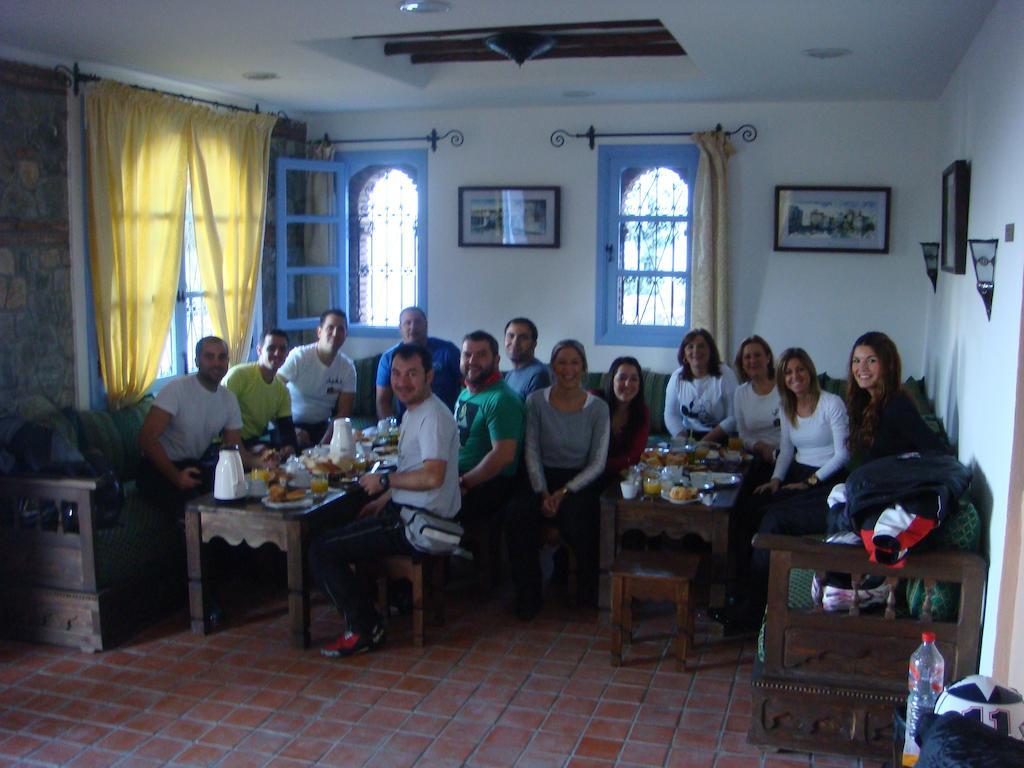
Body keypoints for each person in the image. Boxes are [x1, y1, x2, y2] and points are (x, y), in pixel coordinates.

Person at [310, 343, 461, 658]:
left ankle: (365, 627)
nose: (402, 382)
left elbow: (433, 476)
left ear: (429, 376)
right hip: (408, 511)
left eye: (412, 374)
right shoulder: (414, 411)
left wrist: (384, 481)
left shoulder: (432, 416)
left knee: (321, 550)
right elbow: (416, 471)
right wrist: (385, 497)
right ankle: (373, 608)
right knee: (344, 520)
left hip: (419, 524)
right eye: (396, 373)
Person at [713, 347, 849, 633]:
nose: (794, 376)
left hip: (828, 479)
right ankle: (738, 590)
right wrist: (775, 480)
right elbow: (786, 450)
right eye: (788, 372)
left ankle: (754, 611)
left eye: (799, 369)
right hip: (798, 473)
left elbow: (842, 455)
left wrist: (810, 482)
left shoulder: (831, 403)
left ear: (809, 370)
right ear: (783, 378)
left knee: (772, 519)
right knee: (746, 509)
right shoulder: (788, 407)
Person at [505, 340, 610, 619]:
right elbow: (531, 450)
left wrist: (562, 493)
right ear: (552, 367)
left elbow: (597, 462)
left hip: (579, 480)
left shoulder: (598, 408)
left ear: (584, 368)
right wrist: (541, 492)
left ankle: (586, 591)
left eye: (574, 362)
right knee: (518, 513)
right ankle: (529, 594)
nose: (568, 369)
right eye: (561, 362)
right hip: (541, 474)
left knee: (580, 519)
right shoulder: (535, 401)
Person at [137, 336, 244, 517]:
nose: (216, 363)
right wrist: (176, 477)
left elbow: (235, 448)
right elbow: (146, 439)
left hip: (192, 465)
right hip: (157, 467)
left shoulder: (228, 399)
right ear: (197, 361)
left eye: (222, 357)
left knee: (237, 499)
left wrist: (263, 462)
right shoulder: (176, 390)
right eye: (209, 357)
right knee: (198, 513)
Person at [455, 331, 526, 581]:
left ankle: (429, 577)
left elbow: (503, 456)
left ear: (496, 359)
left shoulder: (502, 399)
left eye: (481, 355)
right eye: (467, 354)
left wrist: (464, 483)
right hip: (460, 477)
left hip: (488, 485)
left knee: (415, 503)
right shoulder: (466, 392)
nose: (472, 361)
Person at [846, 331, 945, 467]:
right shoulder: (864, 401)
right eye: (856, 361)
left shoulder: (897, 404)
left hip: (893, 484)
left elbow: (936, 450)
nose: (861, 368)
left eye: (871, 360)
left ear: (888, 365)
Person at [277, 309, 356, 446]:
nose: (335, 333)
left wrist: (324, 444)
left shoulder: (347, 368)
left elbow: (344, 411)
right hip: (291, 424)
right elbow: (273, 393)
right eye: (330, 328)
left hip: (323, 427)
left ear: (346, 335)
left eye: (341, 329)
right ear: (319, 332)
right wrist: (291, 430)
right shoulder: (299, 357)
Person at [706, 335, 781, 463]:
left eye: (757, 355)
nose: (752, 361)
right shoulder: (740, 393)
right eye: (747, 357)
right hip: (754, 455)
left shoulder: (784, 389)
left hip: (782, 454)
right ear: (742, 363)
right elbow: (743, 434)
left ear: (768, 358)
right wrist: (760, 447)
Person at [376, 307, 461, 419]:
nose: (413, 327)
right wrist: (392, 431)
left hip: (444, 418)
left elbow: (468, 387)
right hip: (406, 422)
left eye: (418, 322)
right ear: (400, 328)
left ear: (426, 325)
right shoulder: (389, 358)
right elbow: (382, 402)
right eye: (407, 323)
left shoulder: (447, 351)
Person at [223, 329, 297, 454]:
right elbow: (221, 420)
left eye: (282, 349)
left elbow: (287, 428)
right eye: (271, 348)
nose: (277, 353)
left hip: (254, 441)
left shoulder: (282, 391)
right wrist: (250, 450)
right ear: (259, 350)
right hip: (225, 443)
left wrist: (289, 447)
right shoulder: (239, 376)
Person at [664, 328, 738, 440]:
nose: (695, 351)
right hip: (688, 436)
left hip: (719, 436)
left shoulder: (725, 374)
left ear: (710, 351)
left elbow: (733, 416)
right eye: (690, 346)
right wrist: (682, 439)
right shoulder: (677, 377)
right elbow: (670, 414)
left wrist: (705, 442)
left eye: (701, 346)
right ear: (684, 353)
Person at [597, 356, 649, 481]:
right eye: (622, 378)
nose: (627, 384)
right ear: (611, 380)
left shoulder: (642, 411)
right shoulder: (595, 401)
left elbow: (635, 456)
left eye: (634, 379)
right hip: (586, 476)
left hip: (622, 477)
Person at [503, 317, 551, 400]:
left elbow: (536, 412)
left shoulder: (538, 375)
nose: (515, 342)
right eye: (511, 336)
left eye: (523, 338)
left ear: (534, 344)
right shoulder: (510, 375)